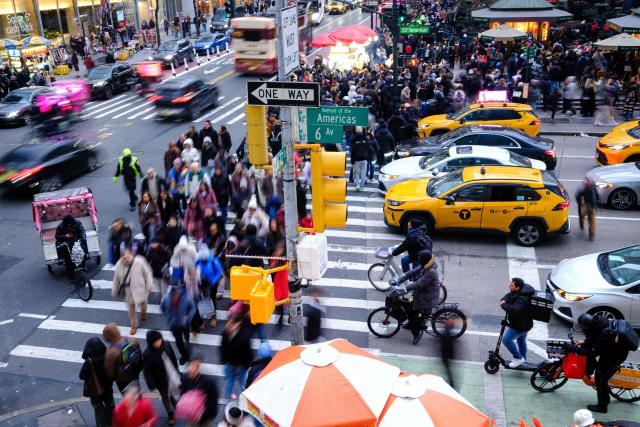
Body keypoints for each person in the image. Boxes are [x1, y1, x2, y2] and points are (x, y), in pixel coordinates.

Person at [569, 314, 631, 413]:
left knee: (600, 377)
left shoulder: (604, 333)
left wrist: (573, 348)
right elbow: (595, 337)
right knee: (601, 373)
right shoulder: (600, 322)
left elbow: (594, 352)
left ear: (589, 325)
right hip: (611, 350)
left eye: (583, 327)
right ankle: (605, 399)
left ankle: (602, 406)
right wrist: (584, 342)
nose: (583, 329)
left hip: (615, 355)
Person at [391, 250, 441, 345]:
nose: (418, 259)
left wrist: (404, 289)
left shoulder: (431, 272)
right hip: (423, 293)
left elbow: (418, 284)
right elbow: (412, 272)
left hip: (427, 298)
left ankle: (416, 333)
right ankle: (411, 323)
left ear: (424, 260)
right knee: (407, 304)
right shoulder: (425, 265)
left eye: (419, 258)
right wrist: (400, 280)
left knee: (411, 312)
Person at [112, 249, 154, 335]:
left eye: (127, 258)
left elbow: (148, 273)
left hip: (140, 288)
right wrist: (114, 291)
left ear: (131, 256)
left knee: (143, 303)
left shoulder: (139, 262)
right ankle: (134, 325)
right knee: (131, 309)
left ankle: (143, 312)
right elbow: (116, 280)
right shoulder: (118, 265)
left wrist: (149, 285)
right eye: (123, 258)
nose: (125, 260)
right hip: (128, 291)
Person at [143, 330, 180, 426]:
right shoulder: (147, 354)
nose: (159, 342)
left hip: (171, 375)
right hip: (161, 381)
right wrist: (152, 386)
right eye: (156, 341)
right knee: (165, 397)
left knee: (173, 393)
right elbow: (147, 372)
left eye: (159, 340)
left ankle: (177, 406)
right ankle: (170, 414)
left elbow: (173, 357)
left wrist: (176, 369)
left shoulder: (166, 344)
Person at [499, 277, 535, 368]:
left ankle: (518, 358)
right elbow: (508, 295)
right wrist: (505, 300)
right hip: (525, 323)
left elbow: (514, 310)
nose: (509, 286)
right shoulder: (519, 292)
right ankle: (523, 358)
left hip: (520, 326)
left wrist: (504, 304)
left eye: (511, 285)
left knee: (506, 340)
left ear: (517, 287)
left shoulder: (522, 299)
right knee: (521, 341)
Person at [79, 337, 114, 427]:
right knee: (110, 404)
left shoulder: (89, 362)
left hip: (94, 389)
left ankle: (102, 424)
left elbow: (82, 376)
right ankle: (112, 422)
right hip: (107, 386)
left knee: (98, 408)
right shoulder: (107, 356)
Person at [102, 323, 144, 393]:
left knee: (131, 400)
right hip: (135, 373)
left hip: (123, 380)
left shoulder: (111, 353)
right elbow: (139, 355)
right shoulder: (132, 340)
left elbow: (110, 374)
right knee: (137, 391)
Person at [220, 313, 253, 400]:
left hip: (241, 366)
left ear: (238, 324)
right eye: (228, 323)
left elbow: (249, 353)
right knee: (229, 383)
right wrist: (224, 360)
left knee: (243, 383)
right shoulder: (225, 333)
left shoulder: (244, 336)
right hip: (229, 363)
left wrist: (246, 366)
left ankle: (247, 400)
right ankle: (228, 402)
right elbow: (222, 348)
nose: (228, 326)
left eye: (231, 323)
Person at [180, 356, 219, 427]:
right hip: (192, 417)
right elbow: (183, 394)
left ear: (198, 369)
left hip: (207, 417)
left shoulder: (209, 382)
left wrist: (203, 411)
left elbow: (213, 400)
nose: (190, 371)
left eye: (194, 367)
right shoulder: (186, 379)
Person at [161, 286, 196, 364]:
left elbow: (193, 308)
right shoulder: (166, 298)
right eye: (172, 297)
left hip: (185, 324)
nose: (173, 300)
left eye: (175, 297)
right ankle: (184, 355)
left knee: (186, 338)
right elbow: (162, 307)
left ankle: (188, 349)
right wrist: (168, 319)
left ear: (178, 294)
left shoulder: (186, 298)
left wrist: (188, 317)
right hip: (174, 325)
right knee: (178, 340)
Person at [195, 245, 223, 327]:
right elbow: (193, 267)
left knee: (212, 299)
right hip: (201, 283)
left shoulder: (214, 260)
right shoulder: (198, 260)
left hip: (212, 283)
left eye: (204, 261)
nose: (203, 262)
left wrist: (213, 281)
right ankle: (201, 319)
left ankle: (213, 317)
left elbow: (219, 273)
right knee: (202, 300)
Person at [55, 214, 88, 280]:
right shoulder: (60, 226)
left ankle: (83, 267)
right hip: (66, 243)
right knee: (68, 260)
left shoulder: (78, 223)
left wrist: (82, 237)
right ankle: (71, 277)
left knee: (83, 255)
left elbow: (82, 231)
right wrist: (65, 236)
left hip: (76, 242)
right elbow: (57, 236)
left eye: (70, 225)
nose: (69, 226)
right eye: (68, 225)